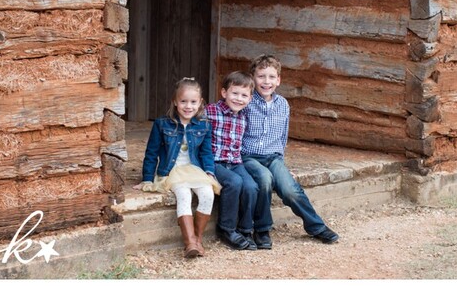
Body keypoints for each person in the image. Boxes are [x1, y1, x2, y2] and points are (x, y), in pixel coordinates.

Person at [242, 54, 339, 248]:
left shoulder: (283, 105)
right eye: (261, 76)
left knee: (289, 189)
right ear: (253, 78)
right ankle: (262, 230)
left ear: (278, 80)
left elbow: (282, 137)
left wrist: (282, 166)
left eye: (271, 77)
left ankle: (316, 226)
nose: (266, 81)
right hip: (248, 157)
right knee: (265, 179)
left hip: (273, 158)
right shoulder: (246, 102)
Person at [134, 78, 221, 259]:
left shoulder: (204, 125)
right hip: (172, 171)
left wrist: (209, 171)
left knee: (208, 194)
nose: (188, 106)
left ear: (200, 102)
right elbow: (151, 152)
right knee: (184, 195)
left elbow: (206, 153)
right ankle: (190, 243)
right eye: (183, 101)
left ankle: (198, 240)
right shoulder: (162, 124)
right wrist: (147, 178)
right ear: (175, 101)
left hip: (195, 170)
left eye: (193, 102)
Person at [205, 71, 258, 250]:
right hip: (214, 162)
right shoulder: (210, 111)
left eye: (244, 95)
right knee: (234, 182)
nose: (238, 99)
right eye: (234, 93)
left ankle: (245, 229)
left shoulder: (244, 115)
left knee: (251, 186)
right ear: (224, 92)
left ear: (250, 99)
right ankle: (226, 229)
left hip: (235, 162)